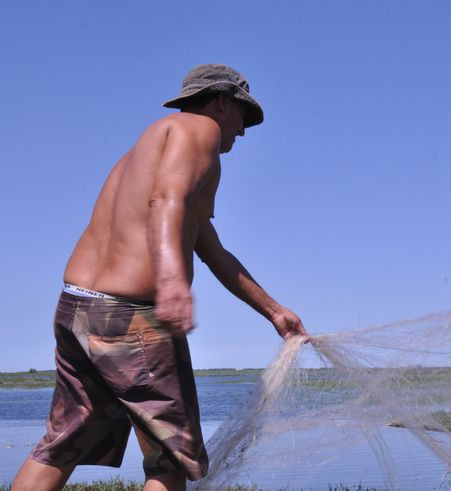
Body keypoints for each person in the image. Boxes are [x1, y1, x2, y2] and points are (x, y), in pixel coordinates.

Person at [11, 64, 308, 491]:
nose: (243, 132)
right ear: (222, 102)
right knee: (169, 459)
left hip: (78, 307)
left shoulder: (146, 153)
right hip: (131, 317)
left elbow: (212, 251)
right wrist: (171, 283)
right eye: (244, 116)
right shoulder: (198, 131)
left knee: (61, 445)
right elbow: (164, 200)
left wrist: (275, 312)